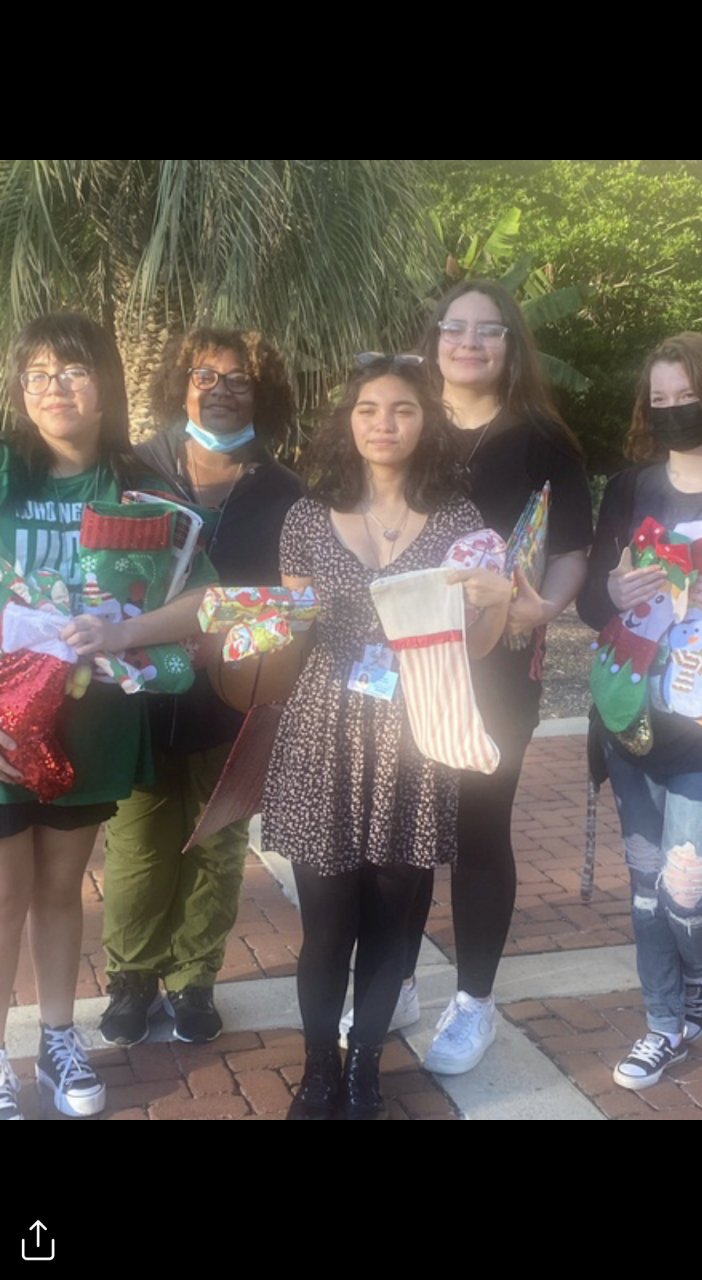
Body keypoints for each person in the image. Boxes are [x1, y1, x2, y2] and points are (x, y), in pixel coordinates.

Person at [262, 354, 513, 1120]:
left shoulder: (459, 523)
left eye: (402, 409)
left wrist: (498, 600)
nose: (384, 424)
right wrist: (268, 627)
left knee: (389, 924)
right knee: (325, 925)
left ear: (425, 421)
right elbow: (290, 640)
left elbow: (476, 647)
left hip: (416, 732)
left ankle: (364, 1066)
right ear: (348, 421)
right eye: (368, 409)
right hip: (324, 734)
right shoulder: (307, 518)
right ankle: (319, 1068)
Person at [0, 313, 215, 1121]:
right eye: (38, 373)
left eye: (74, 370)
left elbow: (202, 595)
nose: (55, 387)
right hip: (2, 728)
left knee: (62, 888)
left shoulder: (142, 488)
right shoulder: (4, 474)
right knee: (3, 893)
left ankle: (60, 1040)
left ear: (106, 384)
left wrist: (123, 633)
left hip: (92, 726)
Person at [408, 281, 593, 1075]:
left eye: (489, 331)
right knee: (404, 825)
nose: (470, 342)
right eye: (455, 328)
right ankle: (395, 979)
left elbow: (574, 544)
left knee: (480, 826)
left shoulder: (542, 437)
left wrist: (544, 606)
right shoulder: (404, 418)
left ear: (511, 344)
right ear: (434, 339)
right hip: (408, 657)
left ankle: (473, 1002)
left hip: (500, 664)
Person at [100, 328, 302, 1047]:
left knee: (217, 843)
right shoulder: (134, 472)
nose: (220, 389)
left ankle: (193, 979)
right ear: (180, 385)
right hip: (143, 690)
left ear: (262, 393)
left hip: (236, 693)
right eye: (204, 375)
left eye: (239, 378)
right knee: (138, 842)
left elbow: (293, 598)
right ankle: (131, 977)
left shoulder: (285, 491)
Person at [577, 333, 702, 1089]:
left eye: (686, 396)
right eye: (658, 399)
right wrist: (612, 591)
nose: (672, 411)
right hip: (630, 717)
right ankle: (663, 1024)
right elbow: (588, 601)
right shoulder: (630, 487)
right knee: (644, 886)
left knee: (685, 890)